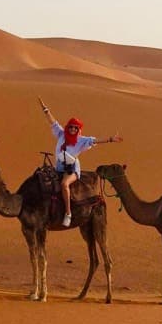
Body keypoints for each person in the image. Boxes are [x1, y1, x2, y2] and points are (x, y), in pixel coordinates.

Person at [39, 97, 123, 227]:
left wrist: (110, 139)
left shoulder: (81, 140)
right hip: (59, 167)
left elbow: (94, 141)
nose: (73, 129)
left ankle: (68, 214)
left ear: (78, 129)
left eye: (75, 128)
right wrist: (45, 110)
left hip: (71, 169)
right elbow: (53, 122)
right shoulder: (61, 134)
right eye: (71, 127)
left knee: (64, 184)